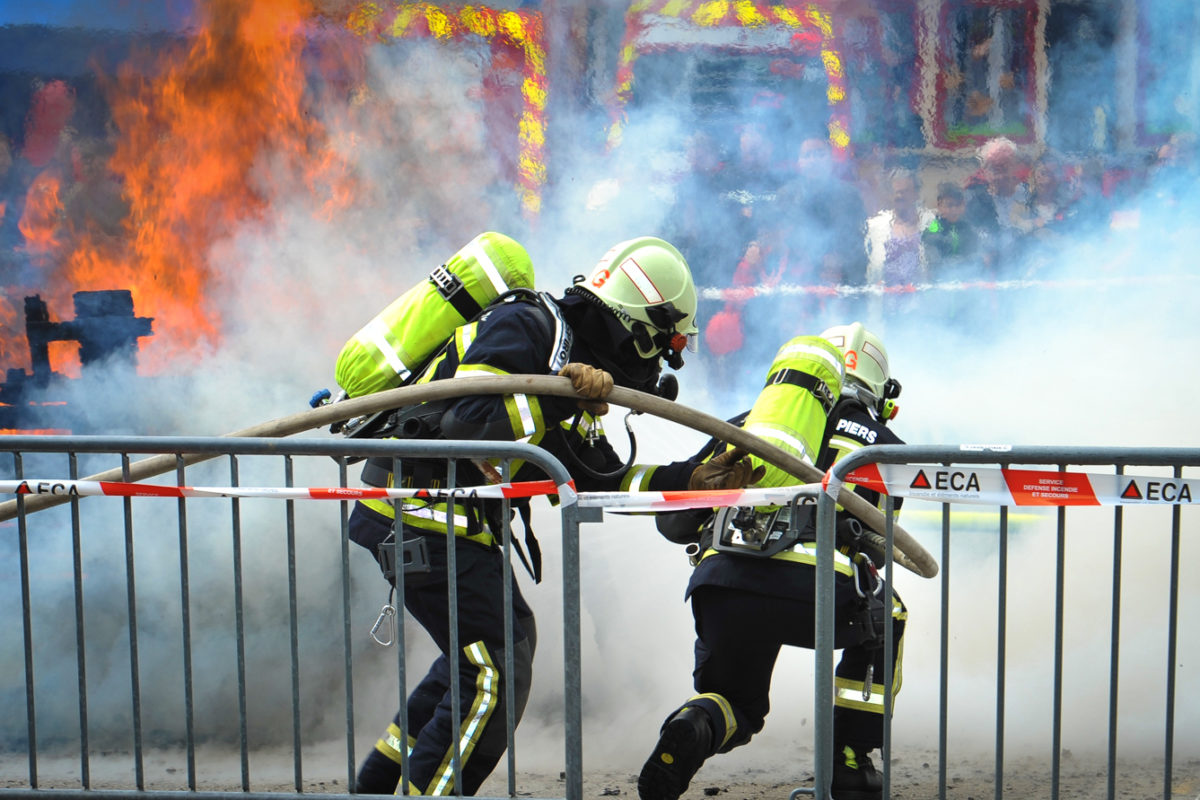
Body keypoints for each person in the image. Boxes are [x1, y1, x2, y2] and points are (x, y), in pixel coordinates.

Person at [348, 234, 761, 797]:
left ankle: (373, 785)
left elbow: (599, 477)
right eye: (663, 346)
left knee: (484, 655)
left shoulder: (570, 358)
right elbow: (467, 424)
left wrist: (687, 480)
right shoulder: (528, 326)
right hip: (420, 514)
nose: (662, 364)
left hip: (447, 523)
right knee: (496, 670)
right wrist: (565, 396)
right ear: (637, 328)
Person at [639, 322, 908, 800]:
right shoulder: (883, 442)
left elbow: (675, 521)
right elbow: (879, 543)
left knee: (734, 703)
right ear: (878, 391)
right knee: (888, 615)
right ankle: (849, 761)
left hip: (724, 583)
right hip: (816, 590)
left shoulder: (750, 423)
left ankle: (693, 724)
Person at [922, 181, 981, 274]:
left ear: (963, 205)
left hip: (966, 278)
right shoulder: (934, 229)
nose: (954, 210)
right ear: (939, 205)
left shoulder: (968, 228)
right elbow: (934, 262)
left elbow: (975, 255)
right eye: (949, 205)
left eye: (957, 205)